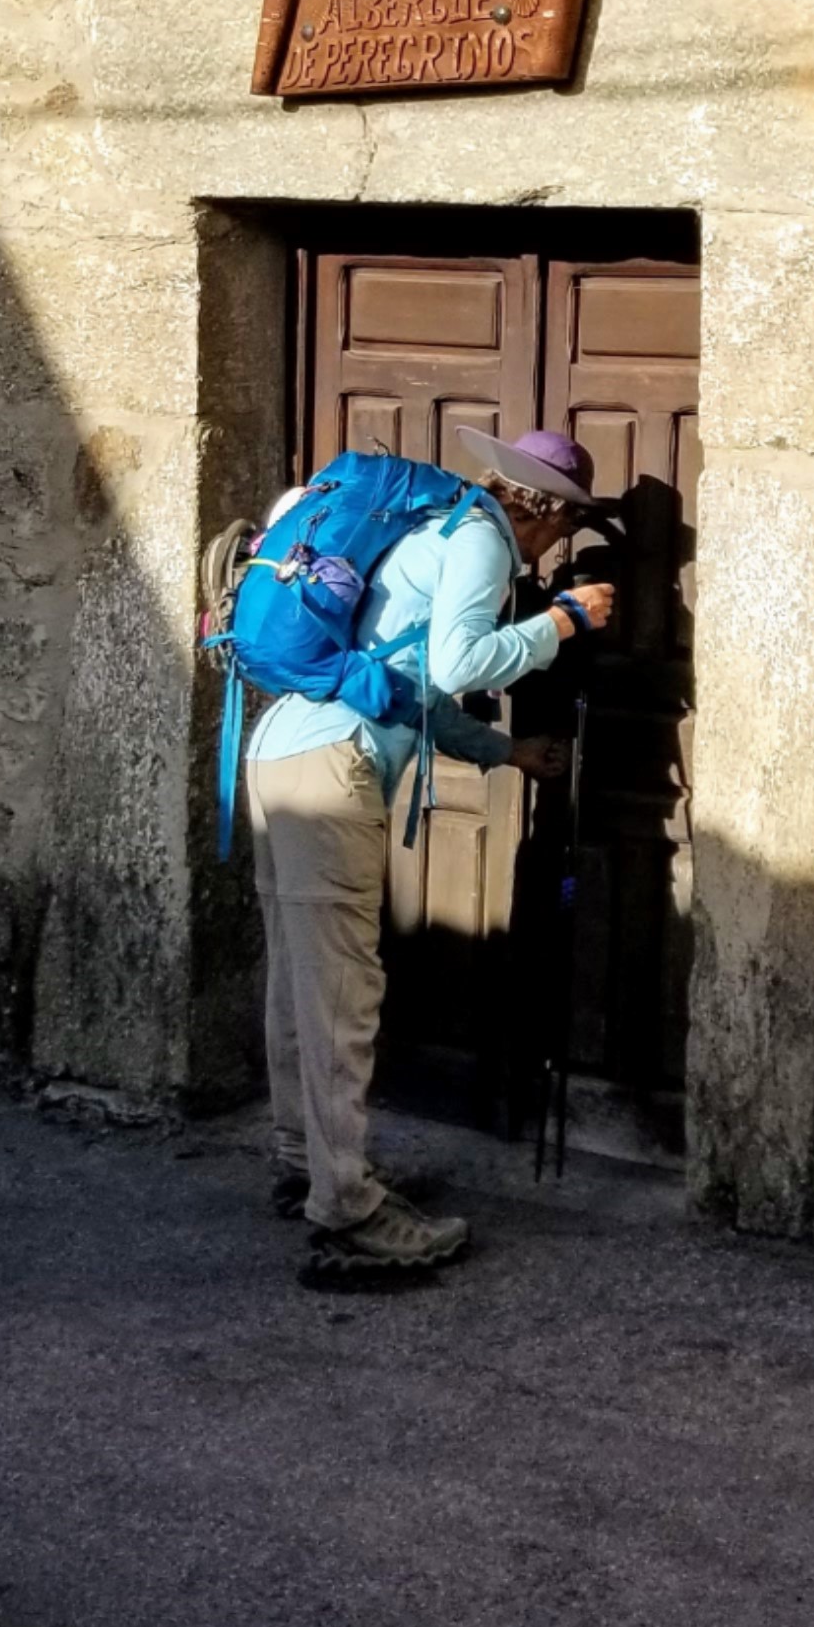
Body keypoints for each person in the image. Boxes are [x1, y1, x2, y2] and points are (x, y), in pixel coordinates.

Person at [241, 426, 615, 1274]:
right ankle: (349, 1213)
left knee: (301, 979)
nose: (556, 547)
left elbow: (407, 683)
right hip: (333, 770)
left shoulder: (430, 528)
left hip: (283, 753)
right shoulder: (480, 534)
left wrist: (504, 753)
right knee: (341, 990)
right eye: (564, 528)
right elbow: (458, 663)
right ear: (545, 512)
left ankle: (306, 1162)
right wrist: (562, 621)